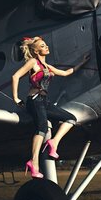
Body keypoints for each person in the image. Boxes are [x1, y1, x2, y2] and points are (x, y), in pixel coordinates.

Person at [11, 36, 89, 178]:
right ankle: (33, 162)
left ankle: (54, 142)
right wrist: (16, 98)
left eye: (46, 45)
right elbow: (15, 76)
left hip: (44, 101)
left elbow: (66, 73)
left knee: (71, 119)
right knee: (42, 128)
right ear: (35, 51)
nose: (46, 47)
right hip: (34, 100)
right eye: (42, 46)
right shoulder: (33, 62)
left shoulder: (47, 67)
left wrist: (82, 62)